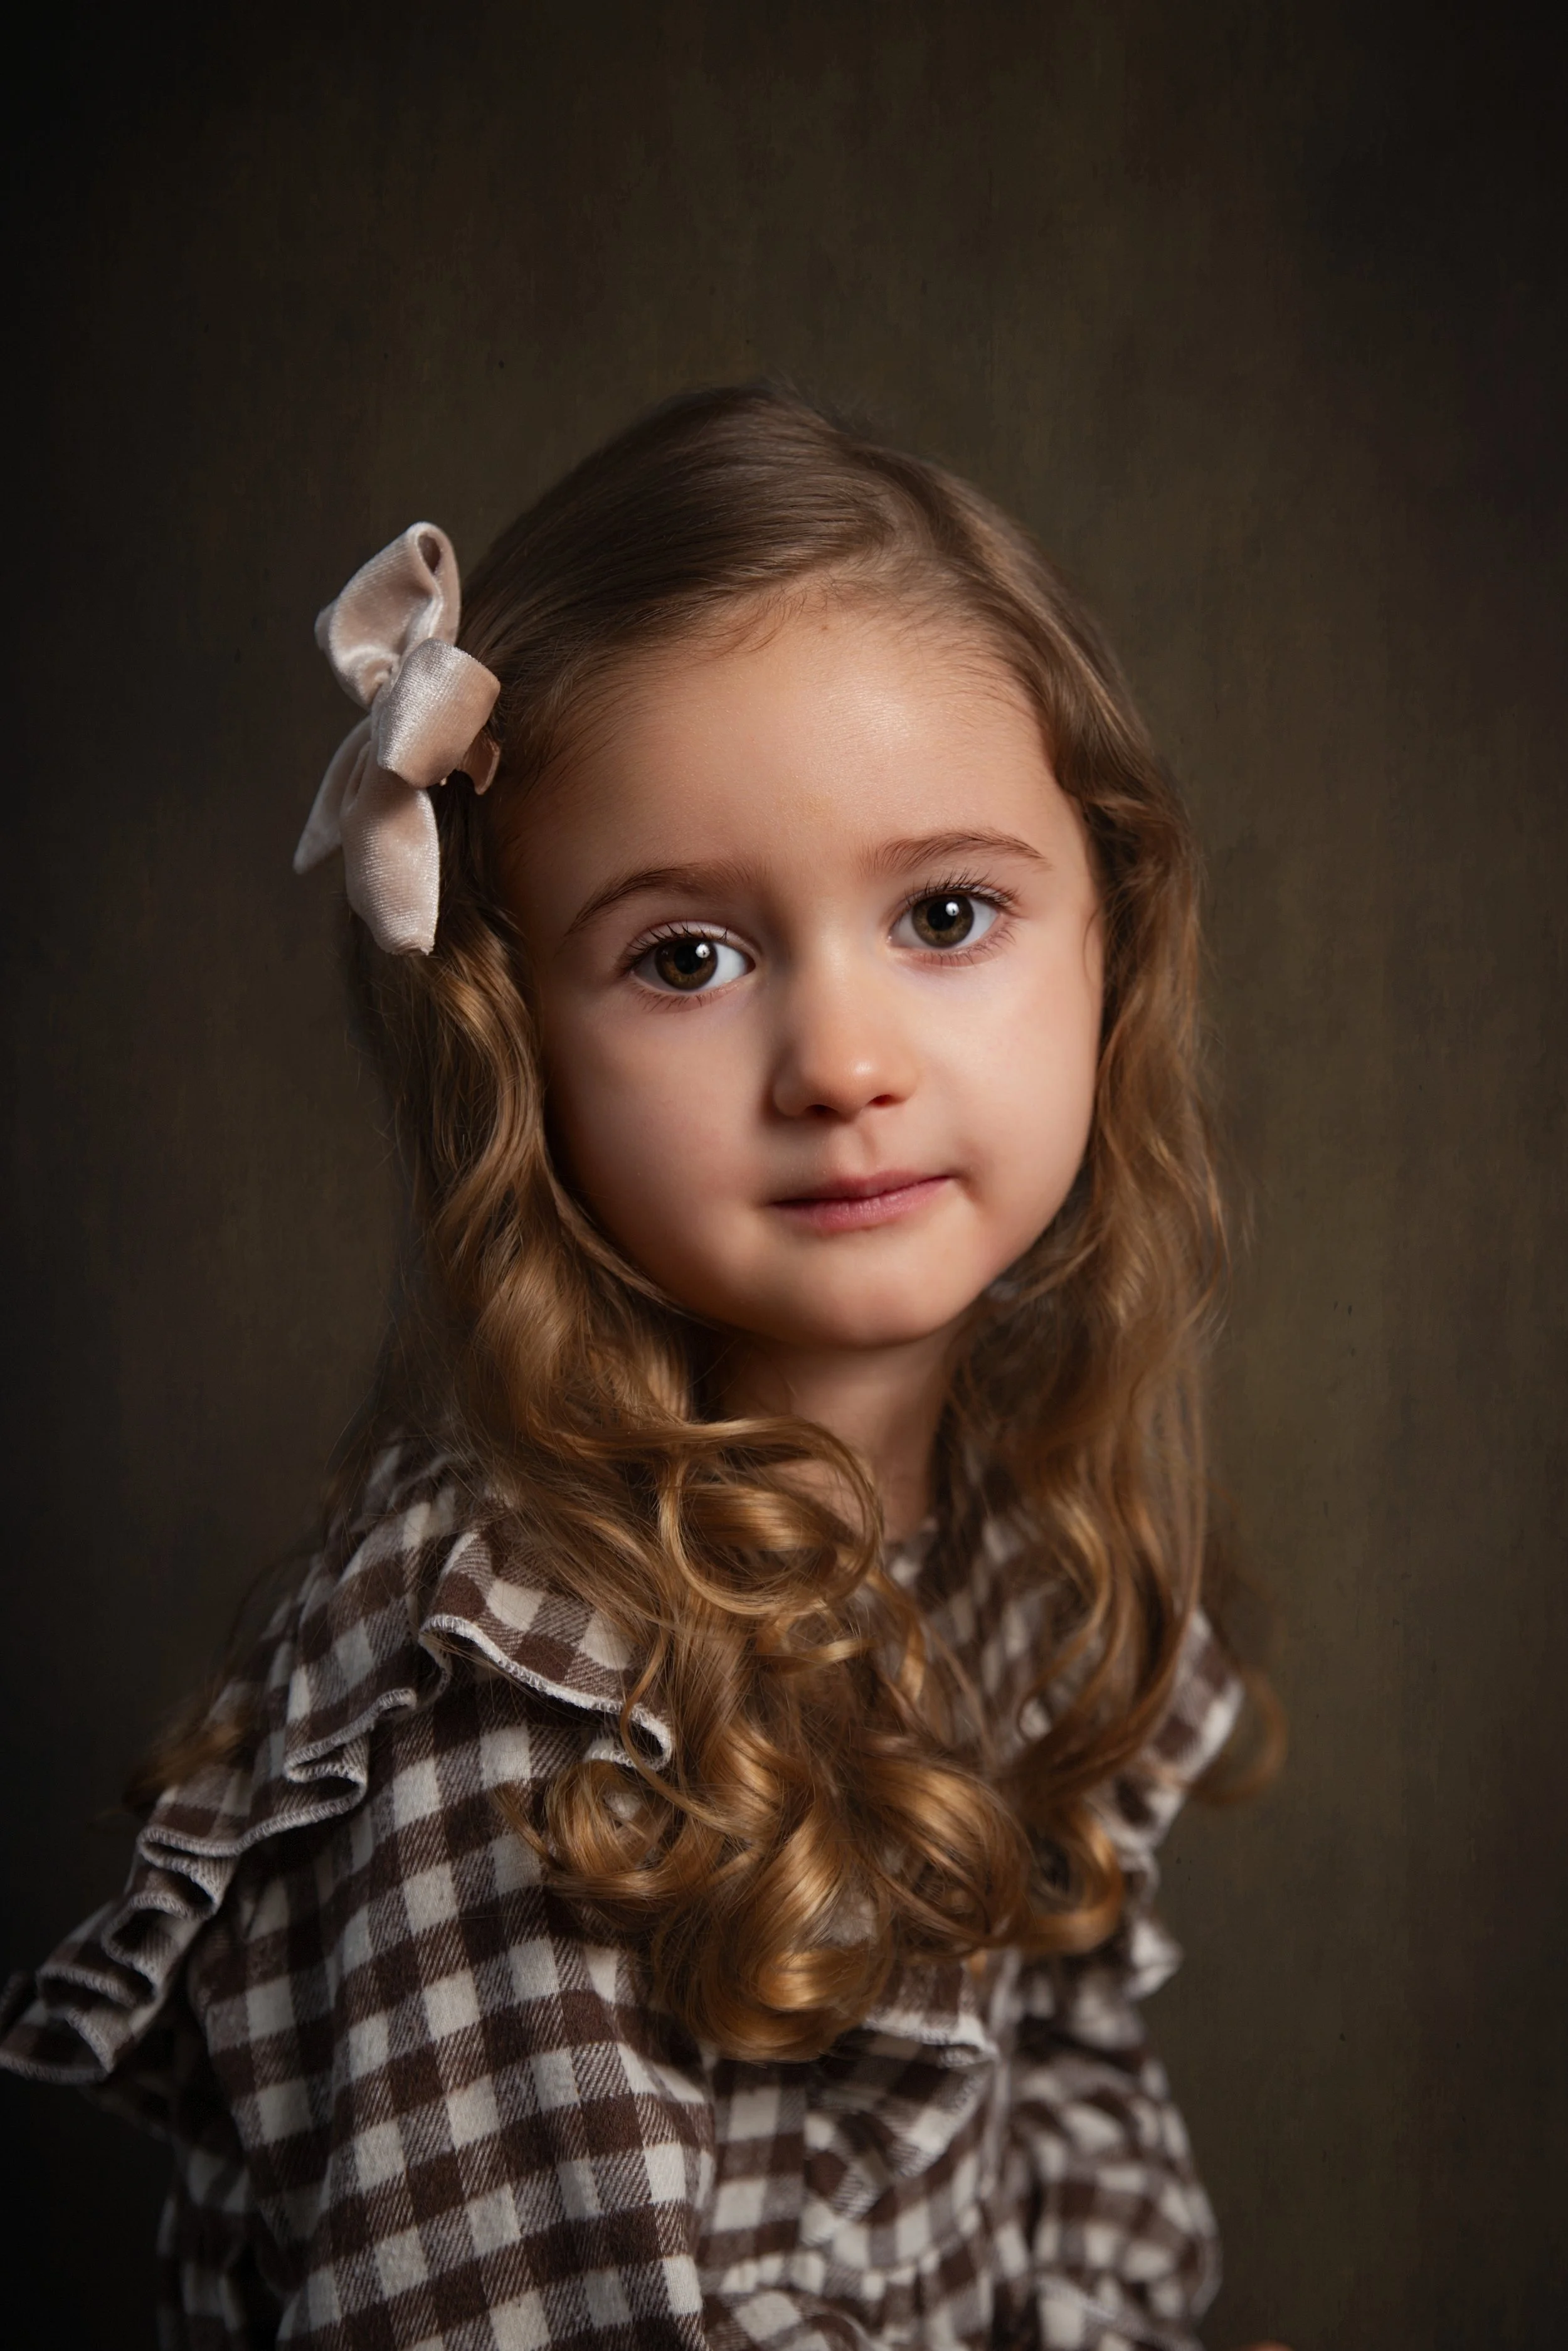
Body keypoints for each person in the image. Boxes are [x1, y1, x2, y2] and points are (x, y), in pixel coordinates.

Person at [0, 386, 1286, 2350]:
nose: (843, 1061)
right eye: (686, 958)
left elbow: (1069, 2136)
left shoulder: (1008, 1546)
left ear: (1107, 930)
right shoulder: (509, 1697)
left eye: (946, 914)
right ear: (520, 1046)